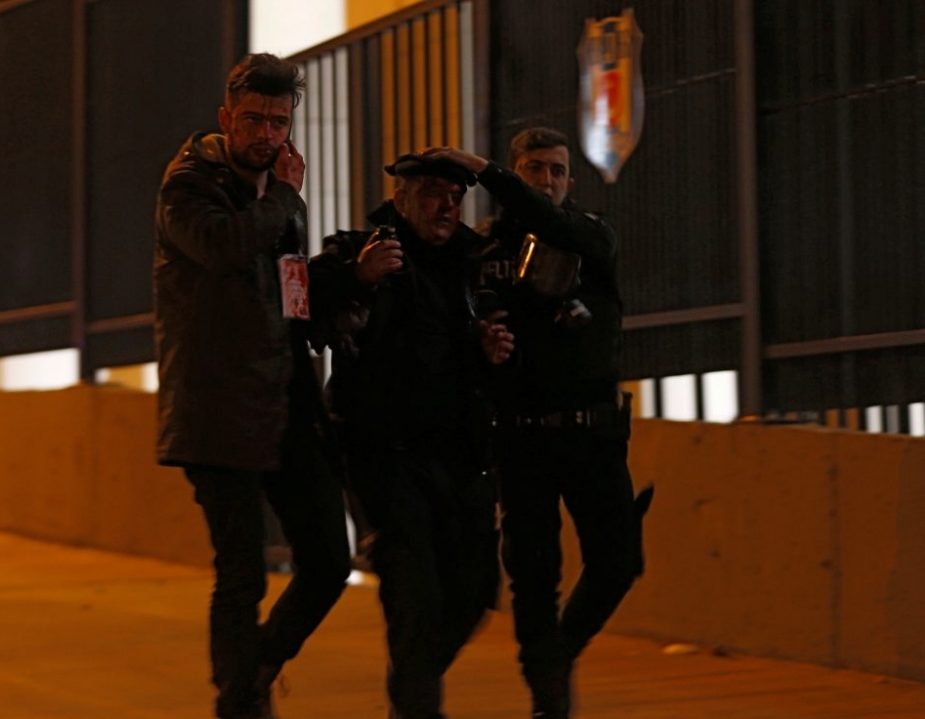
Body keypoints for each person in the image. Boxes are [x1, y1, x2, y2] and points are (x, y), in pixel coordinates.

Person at [424, 129, 652, 719]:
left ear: (569, 181)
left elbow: (560, 228)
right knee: (532, 578)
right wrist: (485, 346)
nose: (546, 181)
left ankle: (556, 657)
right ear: (518, 173)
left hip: (592, 435)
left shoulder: (590, 237)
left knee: (618, 561)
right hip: (522, 437)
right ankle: (548, 699)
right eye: (533, 170)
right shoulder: (484, 252)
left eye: (555, 171)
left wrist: (485, 171)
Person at [153, 53, 351, 719]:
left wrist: (347, 288)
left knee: (328, 559)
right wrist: (289, 197)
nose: (267, 133)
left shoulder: (278, 202)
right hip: (217, 409)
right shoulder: (187, 186)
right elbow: (222, 246)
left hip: (285, 401)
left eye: (279, 120)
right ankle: (240, 702)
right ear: (225, 119)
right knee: (239, 572)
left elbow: (290, 294)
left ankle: (255, 669)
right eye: (254, 119)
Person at [308, 155, 509, 719]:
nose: (446, 206)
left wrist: (488, 351)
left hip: (459, 456)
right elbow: (302, 301)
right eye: (432, 194)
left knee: (472, 593)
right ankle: (418, 706)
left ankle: (410, 692)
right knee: (415, 591)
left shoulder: (472, 262)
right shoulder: (360, 249)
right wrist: (357, 278)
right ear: (401, 200)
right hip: (384, 454)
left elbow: (468, 350)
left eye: (454, 196)